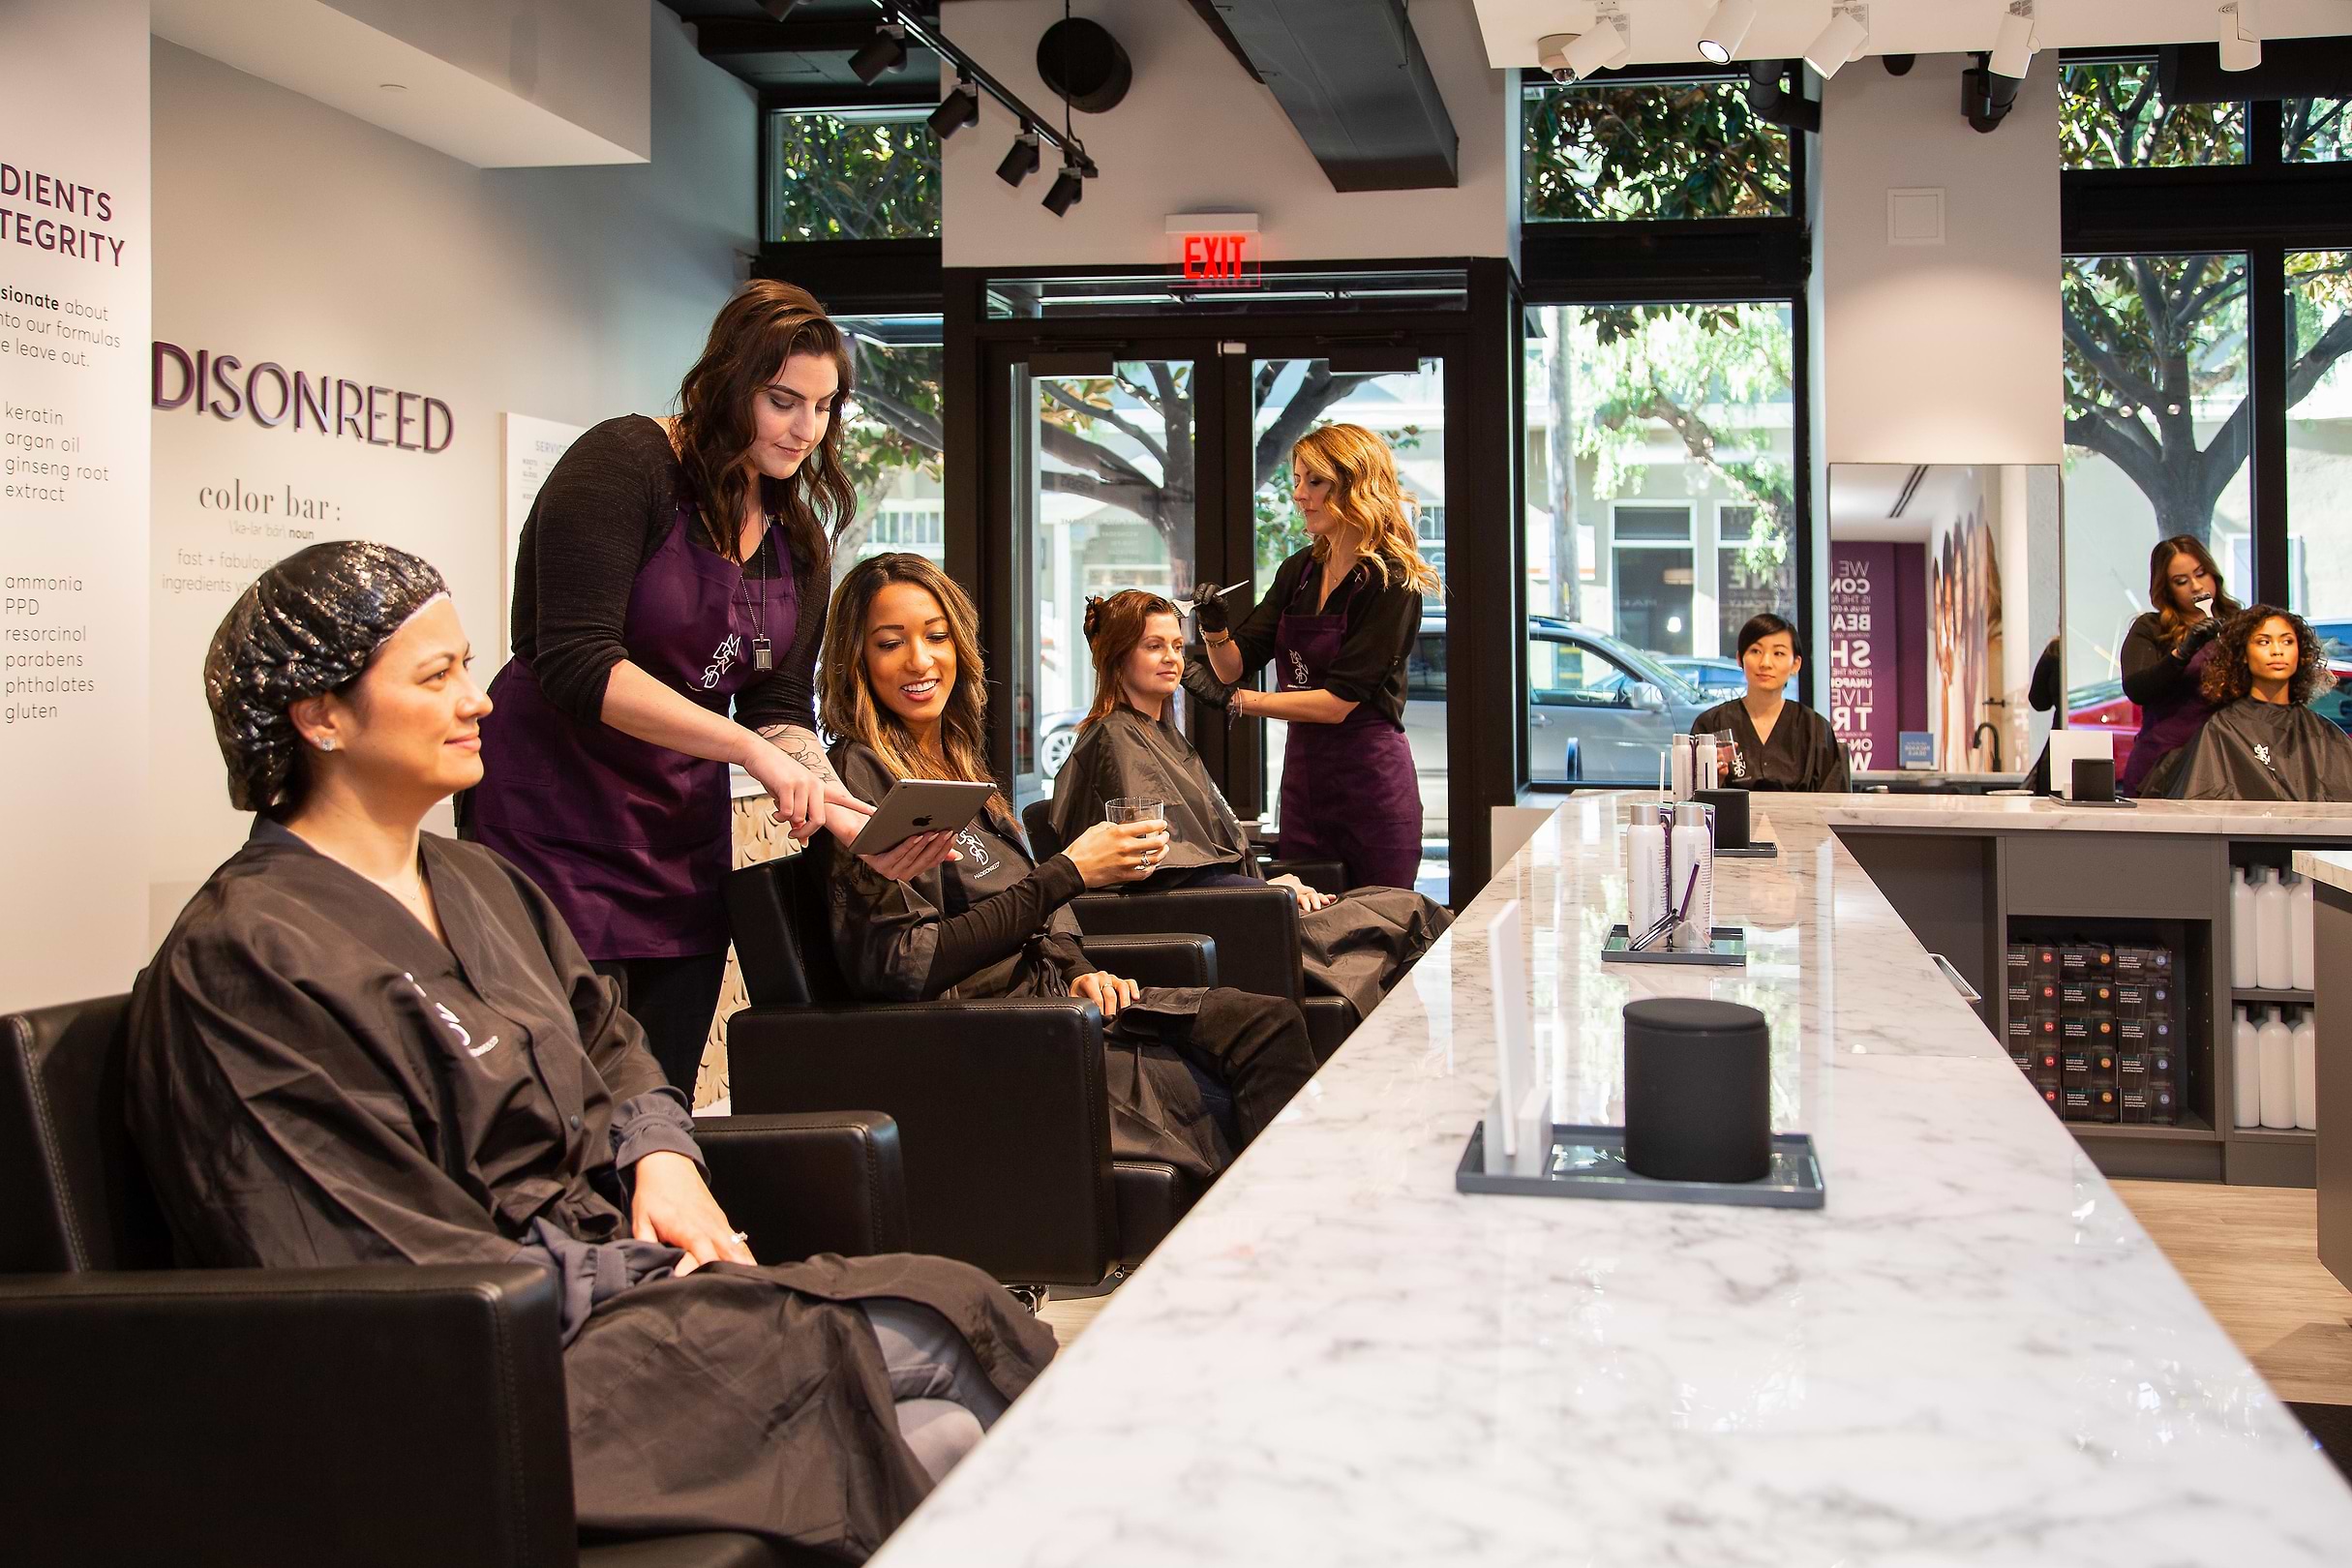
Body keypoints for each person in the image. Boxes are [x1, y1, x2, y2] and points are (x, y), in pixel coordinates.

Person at [130, 543, 1054, 1556]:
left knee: (959, 1323)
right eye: (435, 677)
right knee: (936, 1368)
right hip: (482, 1374)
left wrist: (661, 1151)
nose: (478, 701)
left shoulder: (482, 882)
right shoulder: (246, 959)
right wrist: (621, 1279)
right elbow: (363, 1254)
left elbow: (612, 1041)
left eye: (468, 668)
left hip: (604, 1295)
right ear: (320, 716)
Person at [459, 281, 954, 1094]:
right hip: (549, 831)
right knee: (553, 1109)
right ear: (729, 383)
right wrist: (750, 754)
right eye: (782, 401)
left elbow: (779, 710)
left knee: (658, 1101)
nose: (806, 430)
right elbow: (577, 660)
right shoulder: (627, 463)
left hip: (674, 847)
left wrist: (842, 816)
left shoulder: (798, 535)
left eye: (825, 408)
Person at [819, 555, 1320, 1183]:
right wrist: (1068, 872)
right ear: (855, 660)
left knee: (1268, 1024)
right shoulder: (859, 776)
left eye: (937, 636)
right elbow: (905, 964)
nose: (920, 660)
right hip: (1004, 1035)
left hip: (1057, 996)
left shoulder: (953, 758)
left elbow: (1026, 904)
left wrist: (1078, 968)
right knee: (1219, 1094)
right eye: (891, 643)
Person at [1048, 589, 1452, 1019]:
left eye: (1177, 646)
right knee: (1412, 914)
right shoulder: (1116, 741)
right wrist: (1270, 891)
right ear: (1117, 656)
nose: (1172, 657)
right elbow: (1164, 876)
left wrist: (1276, 886)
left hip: (1247, 913)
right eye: (1154, 646)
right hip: (1230, 928)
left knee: (1400, 910)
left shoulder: (1158, 734)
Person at [1196, 423, 1440, 892]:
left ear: (1355, 484)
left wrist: (1238, 702)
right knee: (1307, 924)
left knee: (1380, 926)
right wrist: (1213, 629)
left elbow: (1338, 703)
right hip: (1306, 780)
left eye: (1314, 481)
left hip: (1370, 782)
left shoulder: (1391, 582)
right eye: (1296, 481)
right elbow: (1232, 665)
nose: (1299, 495)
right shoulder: (1300, 570)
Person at [2155, 605, 2352, 801]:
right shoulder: (2223, 730)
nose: (2277, 651)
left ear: (2300, 654)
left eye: (2287, 641)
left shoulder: (2325, 734)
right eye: (2264, 642)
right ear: (2243, 654)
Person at [2118, 534, 2243, 796]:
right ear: (2168, 589)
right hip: (2164, 767)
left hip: (2228, 760)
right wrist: (2181, 653)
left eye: (2201, 573)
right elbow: (2137, 688)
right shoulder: (2151, 628)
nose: (2196, 586)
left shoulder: (2241, 625)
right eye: (2181, 581)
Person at [1688, 614, 1850, 793]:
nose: (1765, 663)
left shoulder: (1815, 729)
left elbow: (1835, 801)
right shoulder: (1711, 724)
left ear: (1795, 664)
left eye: (1778, 653)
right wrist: (1712, 781)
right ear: (1740, 659)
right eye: (1755, 651)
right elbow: (1691, 801)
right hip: (1731, 820)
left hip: (1801, 820)